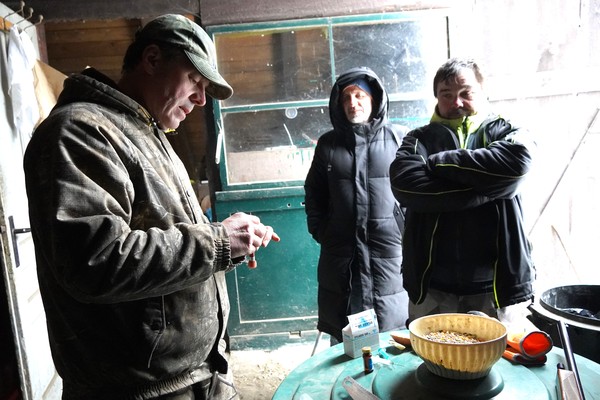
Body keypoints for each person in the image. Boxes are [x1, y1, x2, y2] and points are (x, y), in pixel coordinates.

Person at [23, 14, 279, 400]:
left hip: (198, 374)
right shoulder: (80, 131)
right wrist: (218, 242)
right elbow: (96, 260)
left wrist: (231, 242)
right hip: (141, 391)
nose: (201, 99)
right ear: (153, 59)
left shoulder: (148, 132)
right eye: (194, 80)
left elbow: (166, 232)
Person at [389, 58, 536, 328]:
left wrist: (439, 163)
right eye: (447, 94)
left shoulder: (506, 130)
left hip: (496, 289)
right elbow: (407, 186)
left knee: (499, 355)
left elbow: (515, 167)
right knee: (430, 353)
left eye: (466, 93)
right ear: (436, 98)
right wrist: (489, 187)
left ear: (482, 92)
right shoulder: (418, 139)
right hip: (432, 289)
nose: (456, 102)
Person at [304, 66, 409, 344]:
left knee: (393, 338)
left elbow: (414, 192)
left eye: (360, 95)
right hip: (342, 255)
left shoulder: (399, 139)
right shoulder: (328, 144)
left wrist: (406, 231)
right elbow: (314, 192)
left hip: (388, 254)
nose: (353, 103)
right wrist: (322, 230)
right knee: (346, 340)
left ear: (374, 99)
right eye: (347, 97)